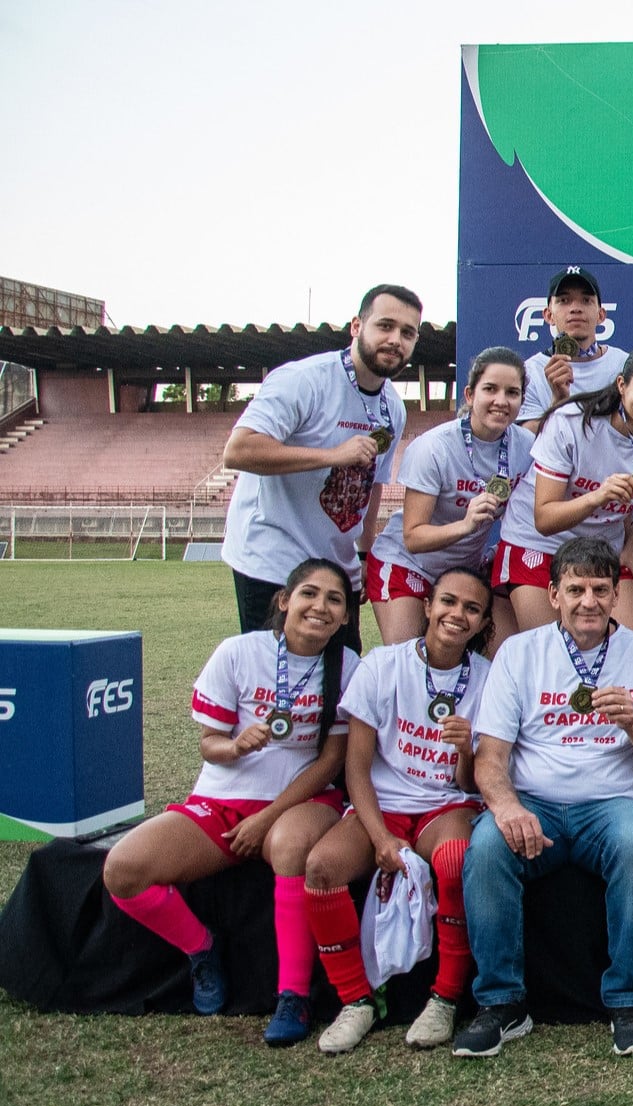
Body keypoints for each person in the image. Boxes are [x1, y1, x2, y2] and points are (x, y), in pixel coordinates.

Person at [102, 559, 358, 1045]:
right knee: (122, 869)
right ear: (284, 600)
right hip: (221, 800)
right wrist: (237, 746)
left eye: (334, 599)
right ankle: (201, 949)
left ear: (346, 617)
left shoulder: (348, 666)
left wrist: (267, 817)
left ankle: (293, 996)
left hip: (302, 801)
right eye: (308, 593)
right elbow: (209, 744)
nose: (319, 607)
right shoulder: (238, 652)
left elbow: (330, 762)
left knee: (287, 848)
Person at [453, 538, 633, 1059]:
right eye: (576, 589)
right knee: (489, 846)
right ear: (553, 594)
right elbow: (490, 756)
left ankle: (628, 1000)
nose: (589, 601)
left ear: (615, 595)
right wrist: (508, 806)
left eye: (601, 590)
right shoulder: (519, 653)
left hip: (615, 803)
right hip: (533, 800)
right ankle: (501, 1003)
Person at [305, 567, 495, 1053]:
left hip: (447, 804)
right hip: (382, 804)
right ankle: (356, 1001)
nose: (457, 615)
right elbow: (357, 770)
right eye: (448, 602)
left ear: (482, 622)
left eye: (471, 609)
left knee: (454, 861)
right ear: (427, 606)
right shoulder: (382, 665)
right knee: (322, 868)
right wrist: (381, 838)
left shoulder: (489, 678)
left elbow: (471, 785)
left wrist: (464, 752)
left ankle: (446, 999)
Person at [221, 284, 421, 650]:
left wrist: (364, 553)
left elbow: (372, 485)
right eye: (386, 326)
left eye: (408, 333)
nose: (396, 340)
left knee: (340, 674)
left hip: (336, 563)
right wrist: (332, 455)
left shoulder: (394, 407)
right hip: (272, 557)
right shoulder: (304, 380)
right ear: (357, 327)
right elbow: (239, 450)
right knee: (275, 678)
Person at [494, 346, 633, 636]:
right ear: (622, 385)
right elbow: (544, 518)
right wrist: (598, 496)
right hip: (537, 543)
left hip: (604, 549)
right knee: (551, 654)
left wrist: (631, 547)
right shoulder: (572, 422)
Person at [367, 347, 534, 650]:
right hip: (408, 563)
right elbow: (413, 537)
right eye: (490, 389)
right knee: (407, 660)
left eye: (512, 392)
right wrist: (466, 525)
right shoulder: (433, 448)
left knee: (508, 655)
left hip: (464, 571)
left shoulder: (527, 447)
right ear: (470, 394)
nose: (501, 400)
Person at [519, 267, 627, 427]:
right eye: (564, 300)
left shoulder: (624, 364)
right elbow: (529, 443)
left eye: (586, 300)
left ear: (601, 315)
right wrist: (558, 401)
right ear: (548, 315)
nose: (576, 308)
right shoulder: (531, 372)